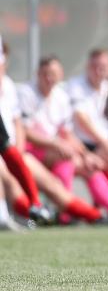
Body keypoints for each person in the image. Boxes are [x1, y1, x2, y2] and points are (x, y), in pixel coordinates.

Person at [18, 56, 108, 223]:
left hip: (58, 151)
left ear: (61, 74)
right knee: (68, 159)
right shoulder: (26, 93)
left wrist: (86, 155)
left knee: (89, 165)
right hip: (30, 152)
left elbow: (67, 134)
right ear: (38, 74)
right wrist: (56, 143)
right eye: (45, 74)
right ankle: (74, 214)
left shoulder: (61, 96)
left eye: (53, 74)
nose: (49, 78)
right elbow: (25, 132)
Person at [66, 48, 108, 222]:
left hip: (106, 145)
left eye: (103, 67)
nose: (98, 71)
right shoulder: (76, 85)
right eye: (94, 66)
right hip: (80, 145)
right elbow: (82, 119)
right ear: (87, 67)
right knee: (106, 159)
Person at [0, 35, 51, 224]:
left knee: (8, 156)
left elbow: (18, 123)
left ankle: (34, 207)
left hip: (17, 150)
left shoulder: (9, 87)